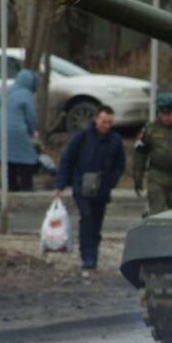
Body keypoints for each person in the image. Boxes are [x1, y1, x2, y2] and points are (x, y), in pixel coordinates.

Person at [54, 104, 125, 273]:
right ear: (96, 120)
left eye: (109, 122)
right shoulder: (82, 137)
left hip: (102, 188)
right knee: (87, 219)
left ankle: (94, 253)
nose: (106, 126)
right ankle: (87, 257)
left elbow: (120, 165)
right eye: (103, 122)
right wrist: (60, 184)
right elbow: (67, 160)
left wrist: (111, 182)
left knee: (96, 223)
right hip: (82, 186)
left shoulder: (115, 140)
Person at [0, 68, 41, 192]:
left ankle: (11, 187)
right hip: (18, 131)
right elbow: (31, 116)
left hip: (1, 131)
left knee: (8, 161)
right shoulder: (27, 95)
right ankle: (27, 186)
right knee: (26, 160)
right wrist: (34, 130)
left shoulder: (6, 91)